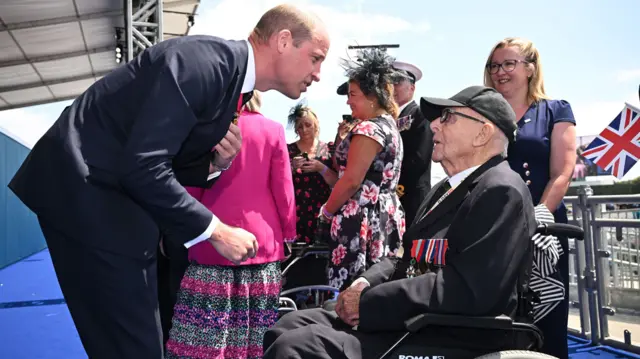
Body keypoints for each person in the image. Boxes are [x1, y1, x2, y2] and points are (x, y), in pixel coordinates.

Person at [7, 4, 330, 358]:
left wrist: (213, 164)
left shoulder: (226, 75)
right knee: (136, 347)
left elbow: (159, 157)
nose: (317, 74)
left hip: (112, 204)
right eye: (315, 58)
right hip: (89, 198)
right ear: (284, 41)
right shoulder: (204, 64)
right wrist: (216, 231)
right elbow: (142, 166)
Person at [263, 86, 537, 359]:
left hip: (450, 334)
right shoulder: (447, 189)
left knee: (297, 347)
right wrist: (363, 284)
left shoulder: (500, 190)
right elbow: (405, 259)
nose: (434, 125)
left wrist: (369, 304)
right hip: (416, 320)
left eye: (448, 117)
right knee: (285, 326)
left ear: (482, 133)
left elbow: (467, 289)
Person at [165, 91, 296, 359]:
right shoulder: (273, 130)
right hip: (262, 246)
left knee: (201, 343)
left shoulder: (208, 131)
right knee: (256, 342)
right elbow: (284, 190)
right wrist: (289, 234)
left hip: (212, 243)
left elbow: (192, 188)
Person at [485, 37, 576, 359]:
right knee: (498, 313)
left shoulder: (556, 110)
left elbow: (562, 171)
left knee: (546, 313)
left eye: (509, 64)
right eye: (495, 65)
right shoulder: (483, 112)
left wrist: (539, 216)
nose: (500, 72)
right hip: (494, 225)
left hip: (544, 229)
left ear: (530, 68)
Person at [319, 48, 406, 292]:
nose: (348, 101)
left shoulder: (368, 129)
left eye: (352, 95)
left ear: (372, 96)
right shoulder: (390, 126)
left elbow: (351, 181)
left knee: (351, 291)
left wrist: (326, 213)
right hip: (384, 215)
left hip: (361, 220)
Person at [391, 61, 434, 225]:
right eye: (390, 83)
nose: (393, 88)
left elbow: (419, 158)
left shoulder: (421, 114)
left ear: (412, 88)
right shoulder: (387, 119)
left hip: (412, 197)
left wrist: (393, 186)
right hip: (392, 198)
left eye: (398, 82)